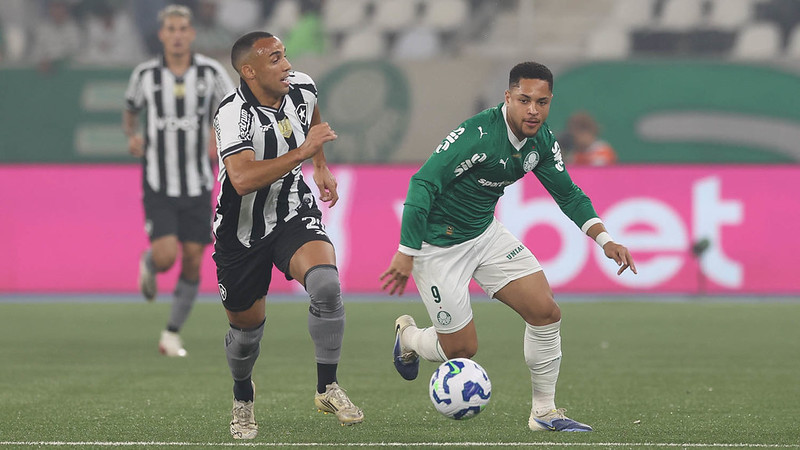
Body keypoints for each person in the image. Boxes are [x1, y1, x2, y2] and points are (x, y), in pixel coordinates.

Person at [380, 62, 637, 432]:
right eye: (525, 100)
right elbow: (423, 184)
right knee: (461, 351)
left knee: (545, 311)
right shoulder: (478, 133)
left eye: (542, 102)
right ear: (508, 97)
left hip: (484, 235)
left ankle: (544, 412)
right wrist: (407, 251)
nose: (534, 110)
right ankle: (408, 337)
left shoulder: (543, 141)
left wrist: (605, 238)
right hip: (436, 245)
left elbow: (568, 194)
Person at [212, 31, 363, 439]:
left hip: (291, 211)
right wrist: (303, 152)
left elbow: (312, 117)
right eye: (275, 59)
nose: (287, 65)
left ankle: (327, 387)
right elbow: (241, 179)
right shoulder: (233, 114)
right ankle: (243, 396)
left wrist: (320, 165)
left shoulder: (302, 88)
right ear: (249, 71)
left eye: (285, 55)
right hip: (240, 232)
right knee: (246, 336)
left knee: (327, 285)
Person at [123, 4, 234, 357]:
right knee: (168, 256)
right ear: (161, 35)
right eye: (170, 29)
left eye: (182, 29)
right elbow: (130, 110)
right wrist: (133, 136)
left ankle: (171, 334)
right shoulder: (145, 75)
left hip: (199, 182)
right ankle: (150, 261)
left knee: (191, 259)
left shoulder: (210, 72)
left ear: (191, 34)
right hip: (159, 181)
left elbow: (231, 107)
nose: (176, 35)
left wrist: (218, 136)